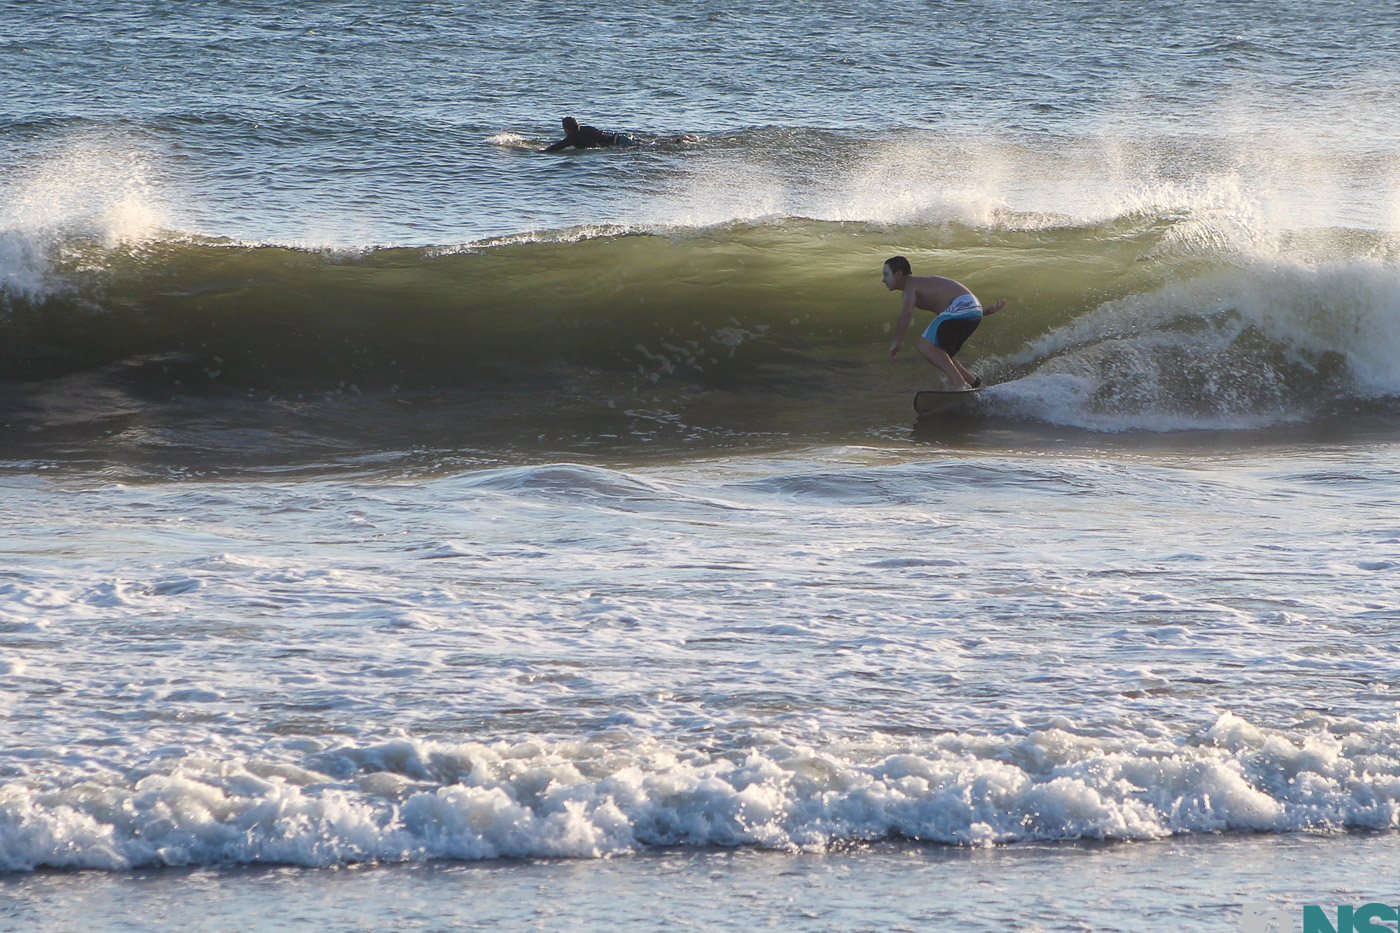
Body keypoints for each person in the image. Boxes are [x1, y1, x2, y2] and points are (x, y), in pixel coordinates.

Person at [881, 255, 1006, 390]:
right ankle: (977, 385)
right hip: (972, 308)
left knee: (925, 345)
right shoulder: (922, 284)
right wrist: (983, 311)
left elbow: (906, 313)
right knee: (940, 353)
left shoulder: (910, 287)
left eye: (886, 274)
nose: (883, 280)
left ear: (898, 274)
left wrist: (896, 342)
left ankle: (960, 384)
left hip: (963, 306)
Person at [543, 117, 640, 152]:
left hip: (620, 143)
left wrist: (540, 152)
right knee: (646, 144)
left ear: (566, 129)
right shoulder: (585, 129)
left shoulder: (573, 137)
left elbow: (557, 147)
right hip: (622, 137)